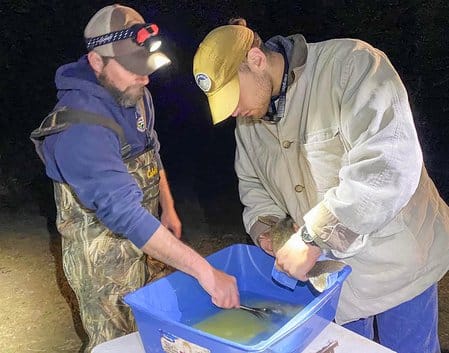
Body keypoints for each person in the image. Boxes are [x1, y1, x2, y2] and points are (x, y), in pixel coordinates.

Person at [193, 18, 449, 353]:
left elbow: (386, 169)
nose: (232, 112)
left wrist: (314, 237)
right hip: (332, 280)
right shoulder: (248, 123)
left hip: (398, 263)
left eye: (233, 95)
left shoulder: (351, 67)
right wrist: (271, 230)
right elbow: (254, 186)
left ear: (256, 60)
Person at [30, 5, 239, 352]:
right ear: (97, 62)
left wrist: (167, 208)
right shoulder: (79, 130)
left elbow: (150, 151)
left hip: (146, 234)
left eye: (146, 67)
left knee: (154, 330)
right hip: (102, 257)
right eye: (132, 69)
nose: (144, 79)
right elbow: (124, 215)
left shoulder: (134, 92)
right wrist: (205, 270)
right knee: (116, 344)